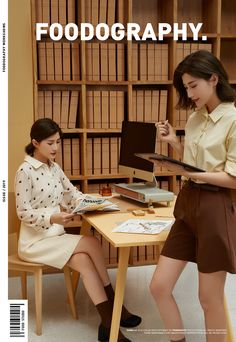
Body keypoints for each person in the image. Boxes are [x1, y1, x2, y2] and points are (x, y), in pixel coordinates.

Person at [15, 118, 142, 342]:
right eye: (50, 143)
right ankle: (117, 308)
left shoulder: (54, 168)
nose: (55, 148)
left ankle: (107, 324)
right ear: (35, 143)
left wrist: (96, 203)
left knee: (83, 260)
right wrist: (52, 216)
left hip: (55, 237)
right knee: (91, 243)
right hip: (34, 242)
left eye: (58, 142)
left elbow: (72, 195)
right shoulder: (24, 171)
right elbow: (23, 213)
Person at [150, 50, 236, 342]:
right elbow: (194, 163)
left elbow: (233, 179)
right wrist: (174, 143)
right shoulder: (196, 118)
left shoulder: (234, 119)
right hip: (187, 204)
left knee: (209, 299)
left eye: (193, 85)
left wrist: (193, 174)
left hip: (216, 207)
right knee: (159, 286)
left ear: (214, 79)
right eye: (185, 87)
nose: (189, 92)